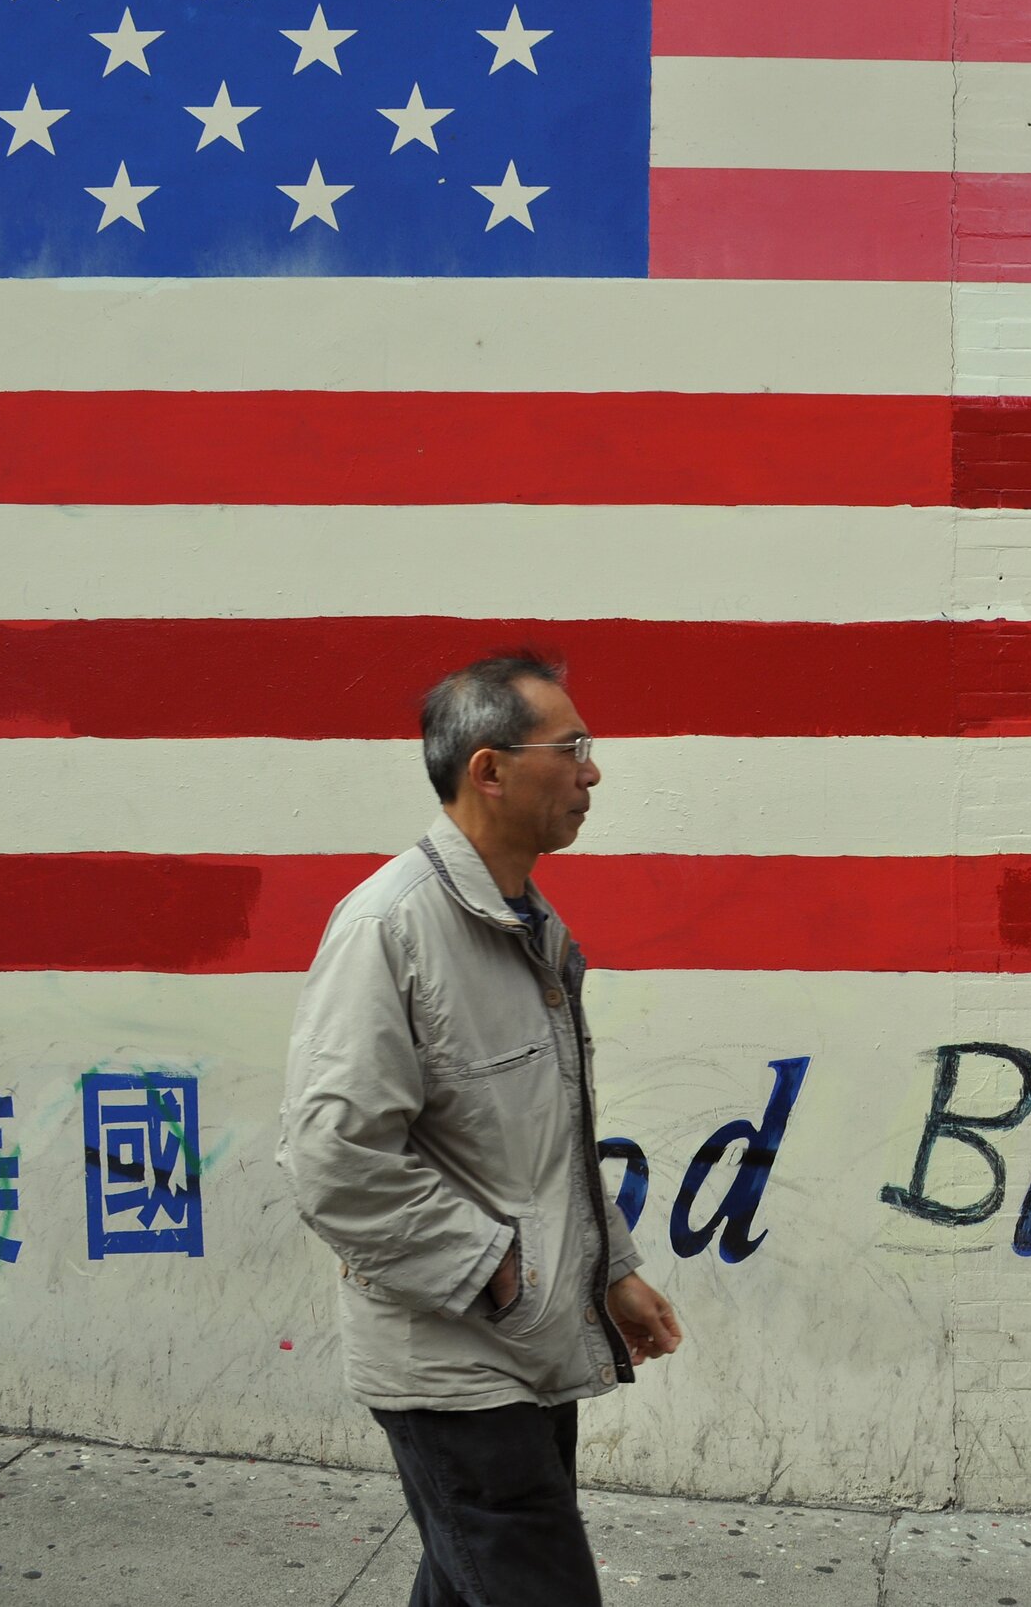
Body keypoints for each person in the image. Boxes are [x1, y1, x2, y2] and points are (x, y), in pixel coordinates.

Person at [279, 652, 680, 1607]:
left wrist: (606, 1270)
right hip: (454, 1367)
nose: (592, 770)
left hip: (529, 1341)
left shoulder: (525, 921)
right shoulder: (390, 927)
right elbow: (332, 1160)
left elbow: (542, 1142)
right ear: (488, 769)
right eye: (571, 747)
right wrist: (500, 1270)